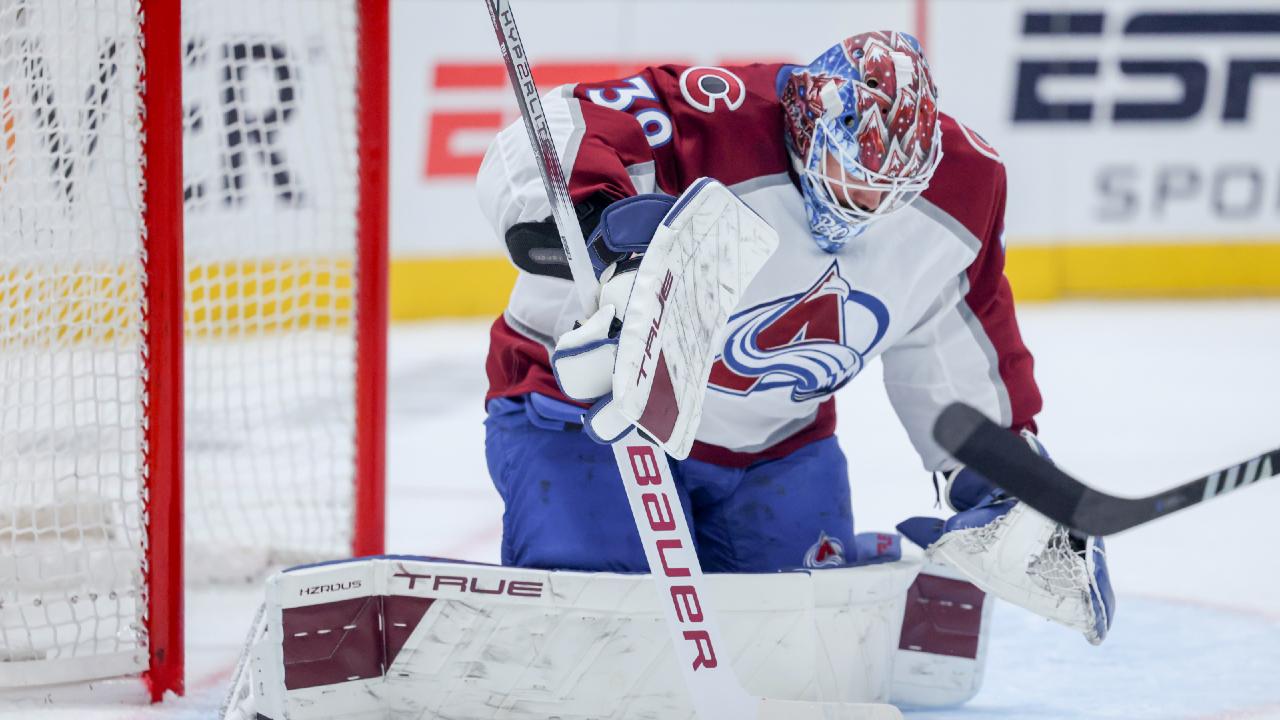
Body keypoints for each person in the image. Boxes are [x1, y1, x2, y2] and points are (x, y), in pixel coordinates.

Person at [477, 31, 1113, 644]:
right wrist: (603, 232)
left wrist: (1008, 482)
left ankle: (864, 565)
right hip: (581, 412)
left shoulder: (962, 187)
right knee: (600, 626)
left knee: (806, 638)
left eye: (888, 193)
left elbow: (952, 344)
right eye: (851, 176)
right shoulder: (712, 115)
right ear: (806, 124)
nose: (865, 207)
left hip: (775, 447)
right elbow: (545, 133)